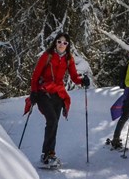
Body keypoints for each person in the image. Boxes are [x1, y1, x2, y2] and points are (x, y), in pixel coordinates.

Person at [28, 33, 90, 167]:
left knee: (54, 124)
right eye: (59, 42)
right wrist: (33, 91)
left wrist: (82, 81)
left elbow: (74, 77)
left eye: (65, 43)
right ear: (55, 42)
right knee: (52, 120)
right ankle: (46, 155)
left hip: (58, 94)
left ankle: (50, 153)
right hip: (43, 92)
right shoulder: (47, 56)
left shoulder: (69, 59)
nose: (62, 44)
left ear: (68, 45)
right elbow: (36, 75)